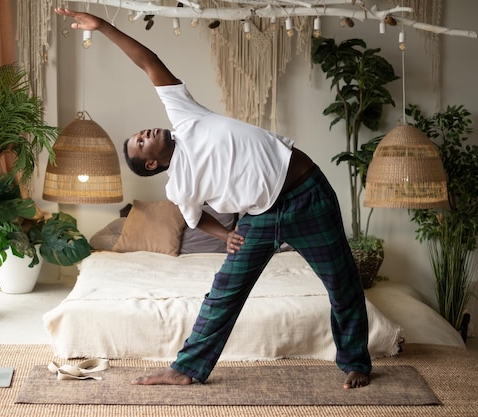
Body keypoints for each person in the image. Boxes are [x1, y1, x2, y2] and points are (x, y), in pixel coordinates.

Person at [54, 8, 372, 389]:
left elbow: (149, 62)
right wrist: (224, 236)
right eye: (142, 142)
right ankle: (186, 369)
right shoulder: (179, 187)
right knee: (223, 294)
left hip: (307, 193)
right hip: (259, 216)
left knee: (342, 281)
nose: (146, 132)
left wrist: (102, 26)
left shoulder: (185, 116)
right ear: (152, 163)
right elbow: (193, 219)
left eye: (141, 133)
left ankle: (355, 363)